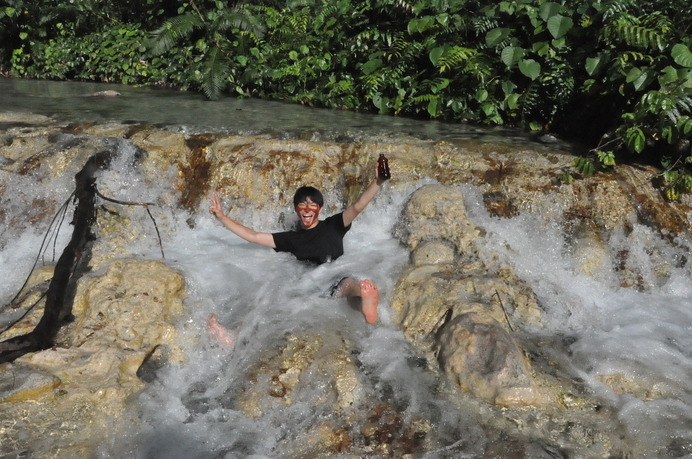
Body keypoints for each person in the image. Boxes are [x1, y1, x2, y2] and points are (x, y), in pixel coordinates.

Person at [208, 169, 387, 325]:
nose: (307, 209)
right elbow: (254, 236)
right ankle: (234, 336)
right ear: (296, 209)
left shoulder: (334, 225)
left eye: (312, 205)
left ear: (320, 209)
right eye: (302, 204)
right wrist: (222, 217)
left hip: (335, 274)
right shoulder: (291, 239)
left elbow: (357, 206)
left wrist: (378, 181)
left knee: (349, 286)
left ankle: (366, 301)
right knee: (268, 306)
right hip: (308, 285)